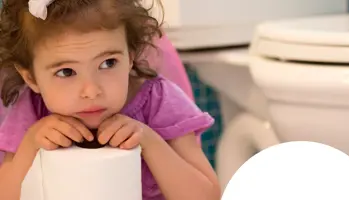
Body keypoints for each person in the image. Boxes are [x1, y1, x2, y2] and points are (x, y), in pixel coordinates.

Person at [0, 0, 221, 200]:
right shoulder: (31, 108)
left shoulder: (159, 101)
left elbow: (208, 196)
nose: (91, 91)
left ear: (130, 57)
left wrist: (149, 141)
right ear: (31, 78)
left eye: (108, 63)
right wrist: (30, 144)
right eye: (66, 72)